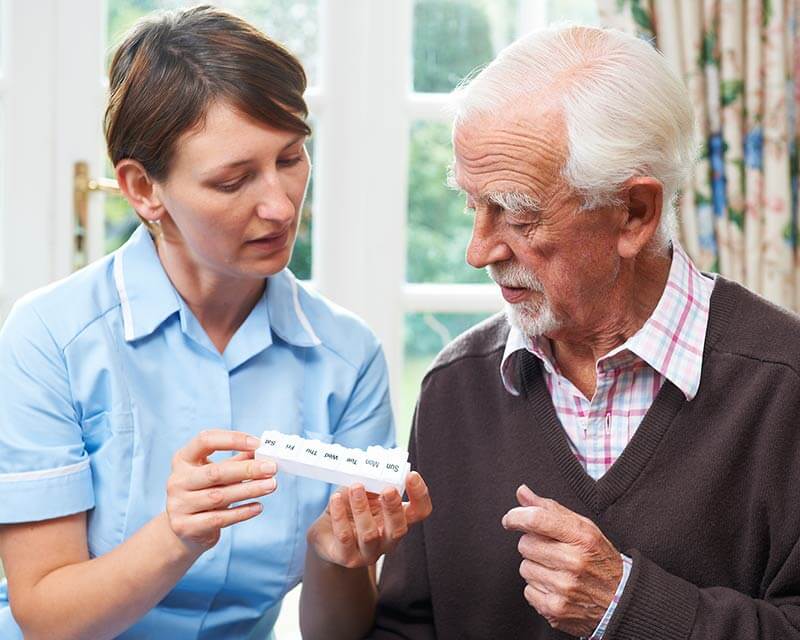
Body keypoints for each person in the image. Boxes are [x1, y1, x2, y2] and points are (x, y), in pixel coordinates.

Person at [0, 6, 430, 639]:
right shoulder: (51, 338)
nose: (281, 207)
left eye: (291, 158)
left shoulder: (347, 357)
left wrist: (335, 556)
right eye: (233, 180)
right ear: (143, 189)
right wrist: (176, 534)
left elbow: (337, 633)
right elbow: (44, 618)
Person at [370, 24, 800, 639]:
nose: (478, 250)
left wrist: (630, 607)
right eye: (473, 206)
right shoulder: (452, 387)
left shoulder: (786, 386)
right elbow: (406, 629)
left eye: (517, 214)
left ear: (635, 214)